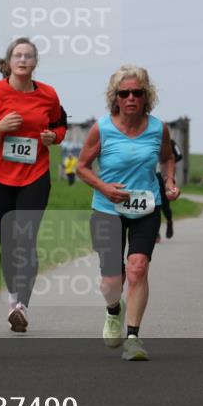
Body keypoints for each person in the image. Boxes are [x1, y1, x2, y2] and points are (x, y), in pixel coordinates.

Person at [76, 65, 180, 361]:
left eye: (138, 92)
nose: (131, 98)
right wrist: (104, 188)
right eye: (125, 93)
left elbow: (168, 158)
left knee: (137, 268)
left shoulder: (159, 128)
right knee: (112, 282)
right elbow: (82, 167)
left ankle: (133, 337)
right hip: (107, 208)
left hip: (146, 206)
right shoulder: (103, 128)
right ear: (116, 98)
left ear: (146, 96)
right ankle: (113, 310)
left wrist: (170, 181)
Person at [0, 37, 67, 333]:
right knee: (9, 242)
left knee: (26, 239)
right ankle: (13, 297)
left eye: (28, 56)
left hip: (35, 176)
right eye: (17, 55)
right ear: (8, 61)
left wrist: (53, 138)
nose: (22, 60)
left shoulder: (48, 94)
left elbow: (60, 124)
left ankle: (22, 307)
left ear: (35, 62)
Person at [156, 138, 184, 239]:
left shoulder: (171, 142)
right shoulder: (150, 140)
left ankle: (169, 221)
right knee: (154, 205)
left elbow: (179, 155)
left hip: (166, 176)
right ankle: (156, 233)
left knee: (164, 205)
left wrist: (167, 163)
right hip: (152, 176)